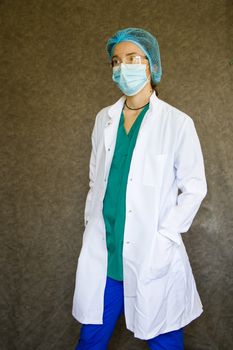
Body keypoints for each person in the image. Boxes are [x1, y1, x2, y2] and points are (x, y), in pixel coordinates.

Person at [72, 28, 208, 349]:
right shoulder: (103, 119)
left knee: (164, 337)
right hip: (105, 252)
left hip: (151, 254)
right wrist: (92, 222)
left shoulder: (176, 123)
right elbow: (97, 180)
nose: (123, 67)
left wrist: (166, 236)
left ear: (151, 64)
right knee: (91, 339)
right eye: (116, 61)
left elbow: (194, 187)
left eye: (133, 58)